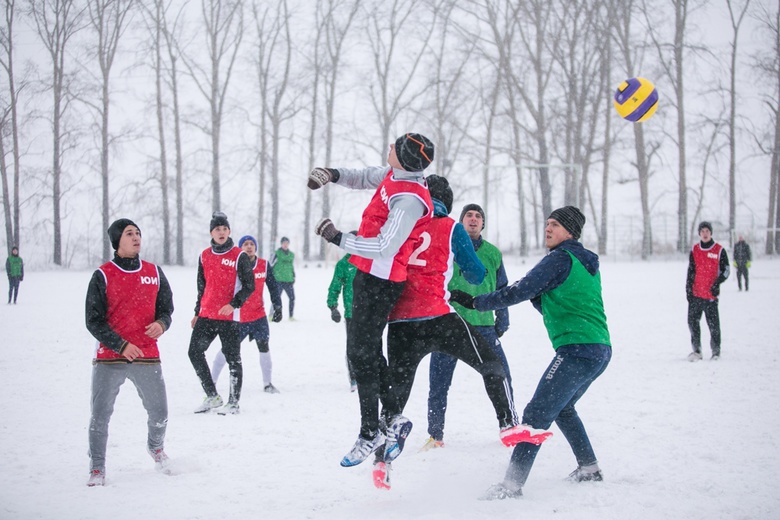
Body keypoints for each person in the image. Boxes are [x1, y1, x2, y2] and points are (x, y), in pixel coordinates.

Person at [450, 206, 612, 499]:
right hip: (599, 349)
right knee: (562, 408)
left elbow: (518, 290)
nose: (547, 229)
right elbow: (553, 301)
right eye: (547, 223)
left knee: (536, 412)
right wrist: (535, 296)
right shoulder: (584, 262)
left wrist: (477, 303)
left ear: (570, 231)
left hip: (577, 350)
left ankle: (511, 486)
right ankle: (589, 467)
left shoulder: (559, 259)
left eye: (554, 225)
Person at [371, 175, 520, 490]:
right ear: (449, 203)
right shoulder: (452, 227)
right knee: (491, 364)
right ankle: (507, 424)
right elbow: (477, 274)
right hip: (438, 317)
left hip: (400, 324)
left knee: (396, 398)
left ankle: (381, 461)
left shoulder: (399, 224)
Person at [308, 132, 434, 467]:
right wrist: (332, 174)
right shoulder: (395, 175)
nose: (389, 147)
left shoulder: (410, 198)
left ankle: (371, 430)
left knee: (360, 354)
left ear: (405, 158)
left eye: (395, 146)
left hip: (382, 279)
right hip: (368, 275)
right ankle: (391, 418)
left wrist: (338, 237)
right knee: (363, 352)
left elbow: (385, 246)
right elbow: (364, 177)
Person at [84, 218, 175, 486]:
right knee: (100, 415)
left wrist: (162, 323)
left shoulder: (154, 272)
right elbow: (93, 320)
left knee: (159, 412)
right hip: (110, 356)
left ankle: (155, 447)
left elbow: (166, 309)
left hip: (147, 354)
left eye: (138, 233)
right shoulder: (102, 275)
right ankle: (98, 467)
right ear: (116, 241)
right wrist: (121, 344)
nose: (136, 237)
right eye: (129, 233)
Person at [423, 203, 512, 452]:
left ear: (483, 223)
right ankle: (435, 435)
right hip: (449, 324)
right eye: (468, 215)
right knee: (438, 383)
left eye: (478, 216)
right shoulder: (447, 247)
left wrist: (502, 318)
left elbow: (502, 289)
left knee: (500, 376)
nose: (473, 219)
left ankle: (509, 428)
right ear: (460, 222)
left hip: (484, 326)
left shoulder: (493, 253)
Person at [188, 212, 255, 414]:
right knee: (194, 352)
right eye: (218, 229)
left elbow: (249, 286)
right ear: (211, 232)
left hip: (228, 318)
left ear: (229, 232)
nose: (222, 232)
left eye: (225, 229)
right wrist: (197, 311)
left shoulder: (239, 256)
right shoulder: (204, 256)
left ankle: (233, 403)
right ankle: (212, 396)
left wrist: (234, 304)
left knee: (233, 358)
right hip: (206, 315)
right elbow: (202, 287)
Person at [210, 235, 281, 394]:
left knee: (264, 347)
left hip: (259, 316)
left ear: (255, 247)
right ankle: (211, 381)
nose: (249, 247)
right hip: (238, 317)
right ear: (240, 248)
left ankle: (267, 383)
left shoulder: (263, 265)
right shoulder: (235, 265)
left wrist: (277, 305)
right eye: (245, 244)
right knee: (227, 349)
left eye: (251, 244)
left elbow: (273, 287)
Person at [686, 221, 730, 361]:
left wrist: (717, 283)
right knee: (692, 322)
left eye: (707, 231)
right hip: (696, 294)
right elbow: (691, 270)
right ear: (699, 233)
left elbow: (726, 270)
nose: (705, 234)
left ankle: (716, 352)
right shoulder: (695, 250)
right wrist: (688, 289)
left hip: (710, 295)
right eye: (702, 231)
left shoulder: (719, 250)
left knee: (713, 325)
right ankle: (697, 351)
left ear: (711, 233)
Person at [326, 244, 359, 392]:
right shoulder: (343, 264)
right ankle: (354, 378)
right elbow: (335, 286)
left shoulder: (370, 261)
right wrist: (333, 307)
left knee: (372, 346)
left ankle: (372, 376)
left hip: (370, 313)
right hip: (351, 313)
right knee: (353, 348)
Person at [270, 237, 296, 320]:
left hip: (288, 280)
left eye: (287, 243)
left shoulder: (291, 255)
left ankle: (291, 316)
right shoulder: (276, 253)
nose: (285, 244)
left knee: (292, 298)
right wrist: (271, 277)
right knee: (276, 298)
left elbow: (291, 266)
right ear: (281, 244)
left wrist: (293, 275)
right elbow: (270, 265)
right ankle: (271, 315)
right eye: (284, 243)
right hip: (278, 280)